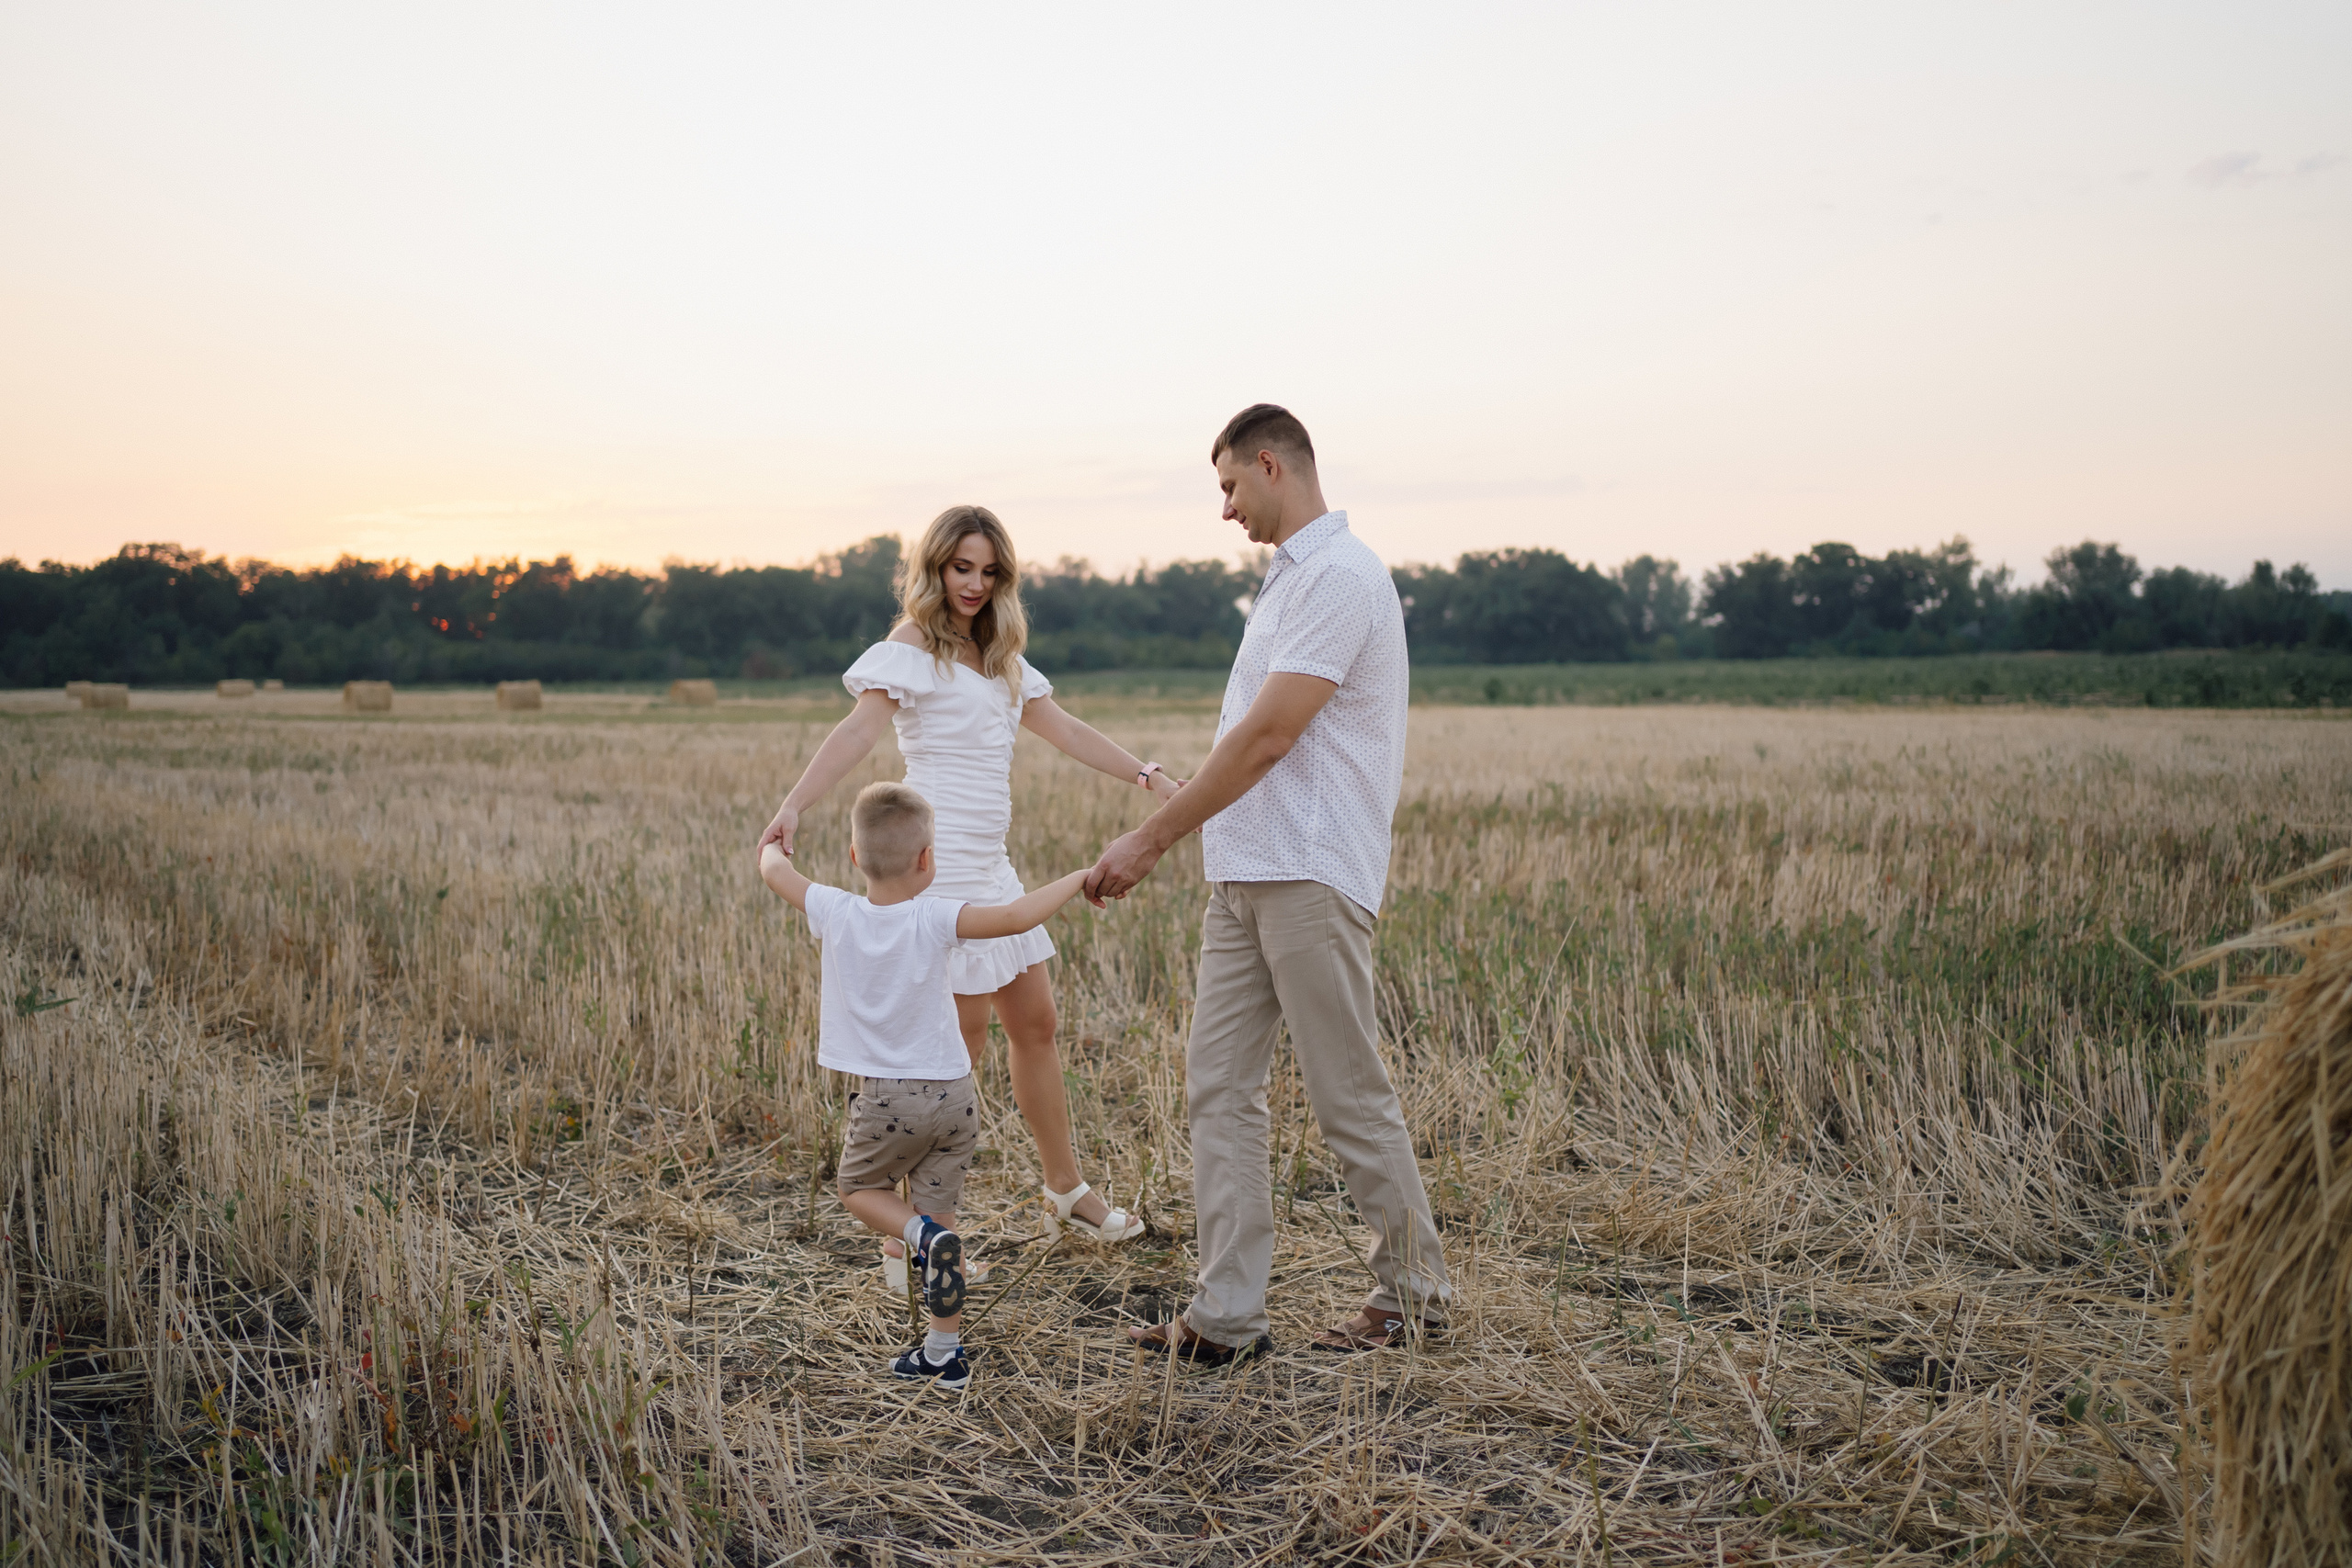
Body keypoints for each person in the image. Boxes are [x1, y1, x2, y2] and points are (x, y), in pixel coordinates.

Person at [1085, 404, 1452, 1363]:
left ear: (1269, 464)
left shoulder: (1340, 575)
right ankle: (1226, 1318)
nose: (1225, 511)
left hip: (1308, 869)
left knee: (1345, 1091)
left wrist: (1152, 837)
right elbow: (1250, 740)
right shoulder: (1286, 584)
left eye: (1228, 489)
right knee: (1217, 1084)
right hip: (1243, 869)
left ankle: (1414, 1297)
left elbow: (1272, 735)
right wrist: (1191, 801)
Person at [757, 504, 1173, 1276]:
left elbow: (1069, 729)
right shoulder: (911, 645)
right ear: (936, 567)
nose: (975, 585)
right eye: (961, 568)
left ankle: (1065, 1190)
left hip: (992, 863)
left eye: (988, 571)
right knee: (952, 1057)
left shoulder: (1006, 655)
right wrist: (794, 805)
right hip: (935, 868)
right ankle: (906, 1242)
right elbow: (857, 731)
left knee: (1038, 1024)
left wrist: (1147, 776)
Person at [759, 780, 1093, 1389]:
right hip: (955, 1096)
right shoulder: (937, 915)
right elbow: (1017, 916)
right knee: (941, 1210)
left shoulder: (836, 909)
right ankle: (945, 1351)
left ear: (855, 858)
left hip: (889, 1098)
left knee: (860, 1186)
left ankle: (920, 1234)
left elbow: (774, 870)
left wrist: (778, 835)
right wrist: (1081, 876)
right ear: (927, 860)